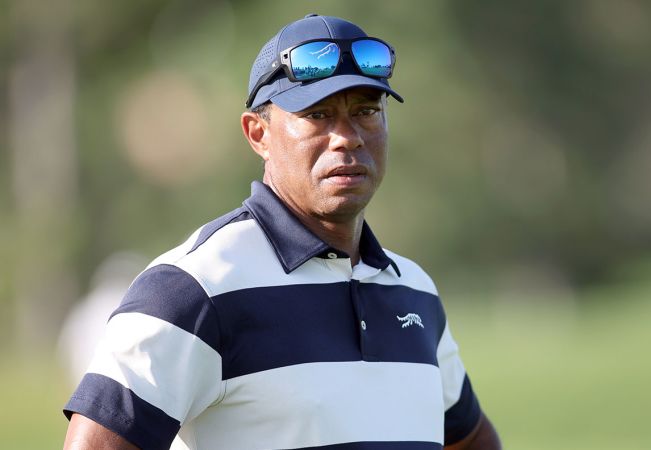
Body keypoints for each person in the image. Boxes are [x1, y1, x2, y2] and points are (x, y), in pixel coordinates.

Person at [63, 13, 501, 450]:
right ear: (259, 134)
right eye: (318, 114)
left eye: (366, 111)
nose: (347, 137)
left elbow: (471, 441)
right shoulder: (193, 288)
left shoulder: (415, 291)